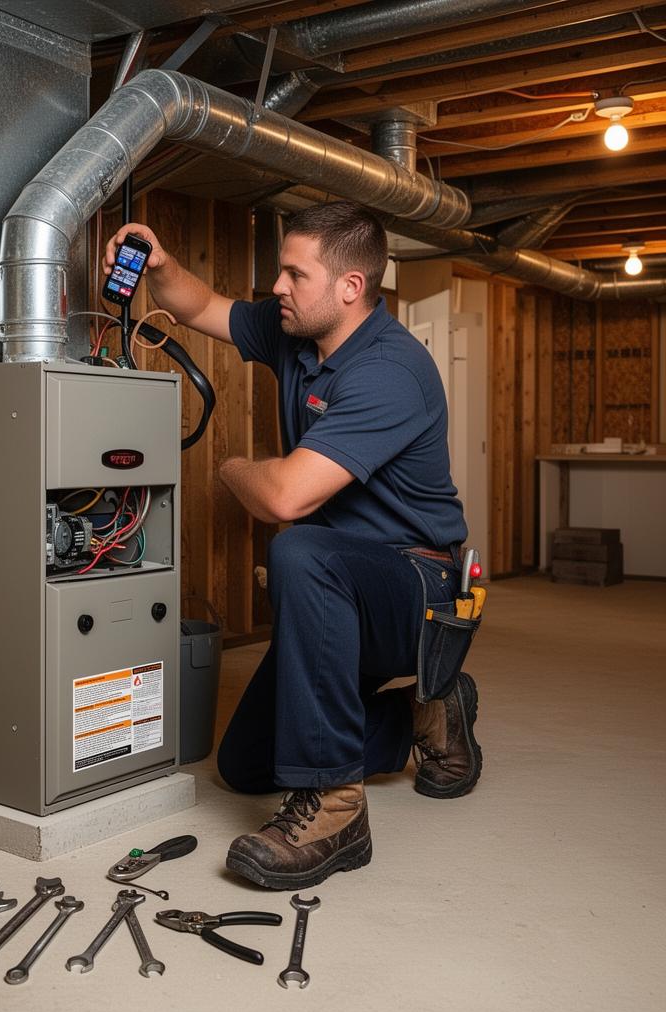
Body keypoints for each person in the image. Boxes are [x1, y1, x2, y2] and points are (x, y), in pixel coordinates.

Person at [104, 201, 481, 891]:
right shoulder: (296, 332)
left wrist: (228, 467)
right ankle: (422, 711)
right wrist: (159, 266)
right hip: (341, 588)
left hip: (420, 593)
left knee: (300, 546)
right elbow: (202, 308)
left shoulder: (390, 372)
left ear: (350, 288)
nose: (277, 286)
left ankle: (336, 812)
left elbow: (283, 499)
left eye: (293, 273)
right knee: (245, 765)